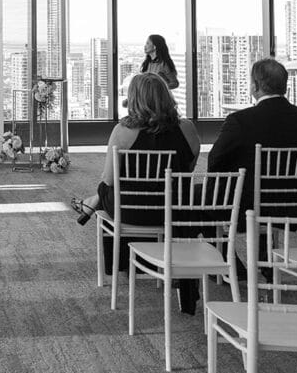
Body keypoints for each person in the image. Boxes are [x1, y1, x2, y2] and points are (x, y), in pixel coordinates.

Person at [70, 73, 201, 311]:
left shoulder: (123, 131)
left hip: (131, 212)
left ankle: (92, 204)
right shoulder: (188, 128)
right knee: (108, 191)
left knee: (104, 189)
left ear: (134, 99)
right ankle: (92, 202)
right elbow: (189, 169)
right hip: (174, 211)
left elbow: (109, 179)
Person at [207, 57, 297, 216]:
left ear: (255, 86)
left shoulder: (240, 120)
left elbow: (215, 160)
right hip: (296, 205)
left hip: (248, 208)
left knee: (198, 197)